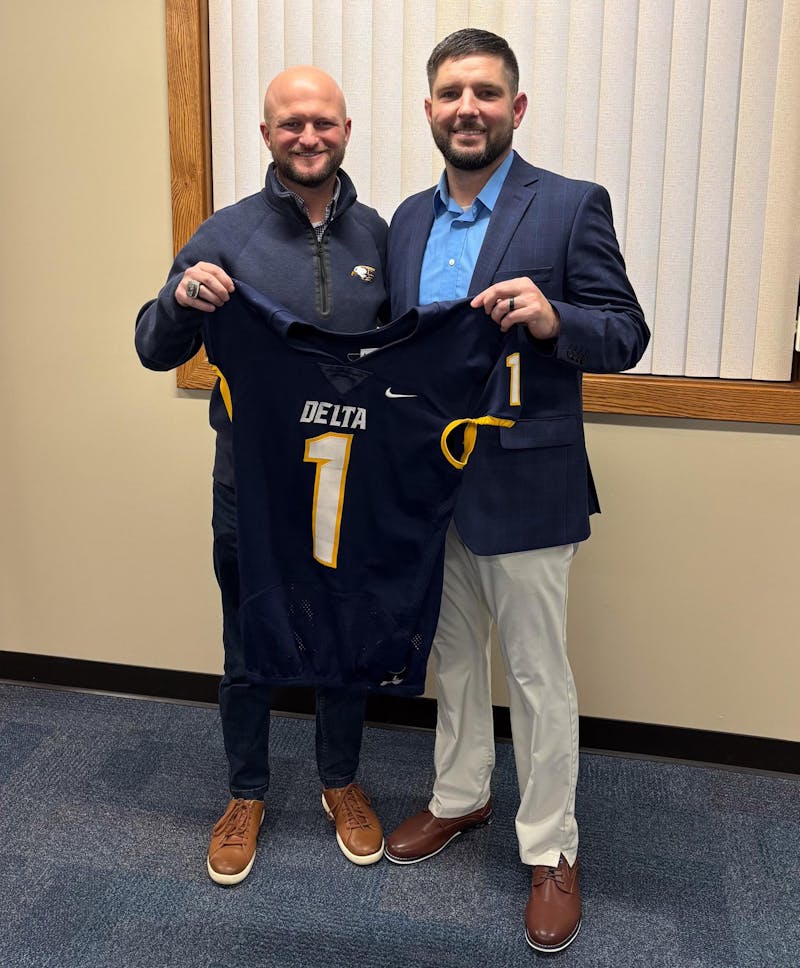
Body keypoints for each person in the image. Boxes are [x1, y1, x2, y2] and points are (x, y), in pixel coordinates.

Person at [383, 29, 649, 953]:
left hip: (527, 480)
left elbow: (625, 333)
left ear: (516, 108)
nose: (469, 108)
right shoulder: (407, 220)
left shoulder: (571, 207)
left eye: (487, 93)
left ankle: (550, 848)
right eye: (452, 92)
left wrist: (554, 316)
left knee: (537, 675)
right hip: (428, 487)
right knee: (450, 658)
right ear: (429, 110)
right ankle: (460, 798)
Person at [135, 66, 389, 884]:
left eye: (322, 122)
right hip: (248, 489)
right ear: (267, 136)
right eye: (290, 124)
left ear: (347, 129)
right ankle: (246, 792)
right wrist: (181, 299)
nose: (307, 136)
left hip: (348, 488)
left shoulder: (383, 237)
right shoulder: (227, 234)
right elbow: (152, 345)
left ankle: (340, 782)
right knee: (248, 647)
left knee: (344, 640)